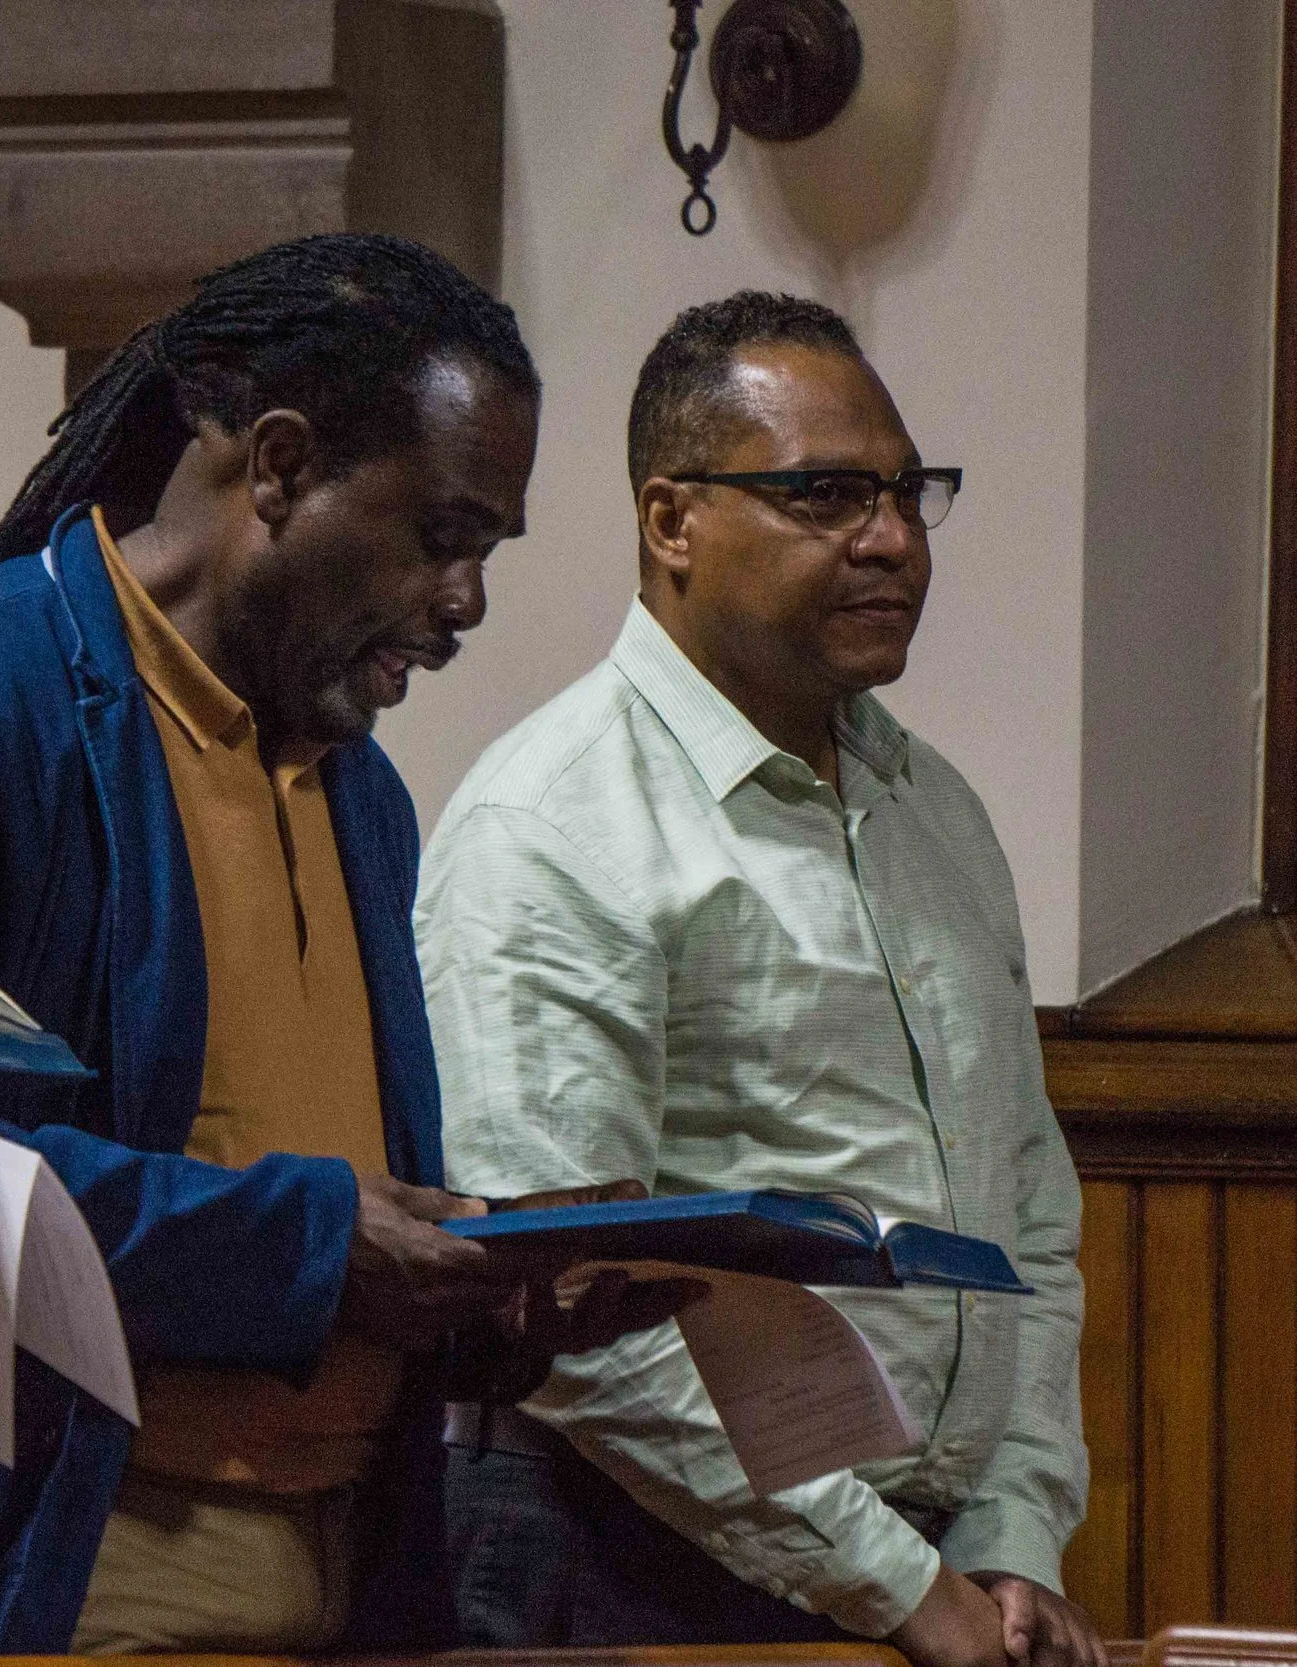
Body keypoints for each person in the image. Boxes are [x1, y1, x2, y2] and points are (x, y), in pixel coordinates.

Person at [0, 233, 687, 1663]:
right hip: (51, 1587)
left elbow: (305, 1227)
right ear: (278, 465)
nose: (467, 602)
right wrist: (316, 1245)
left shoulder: (361, 795)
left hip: (348, 1582)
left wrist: (485, 1300)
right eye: (441, 537)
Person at [415, 291, 1097, 1667]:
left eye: (908, 491)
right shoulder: (555, 823)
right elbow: (575, 1306)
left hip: (925, 1573)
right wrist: (902, 1587)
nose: (892, 538)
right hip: (626, 1563)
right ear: (671, 521)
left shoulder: (933, 810)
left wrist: (1008, 1535)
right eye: (827, 495)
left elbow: (1028, 1215)